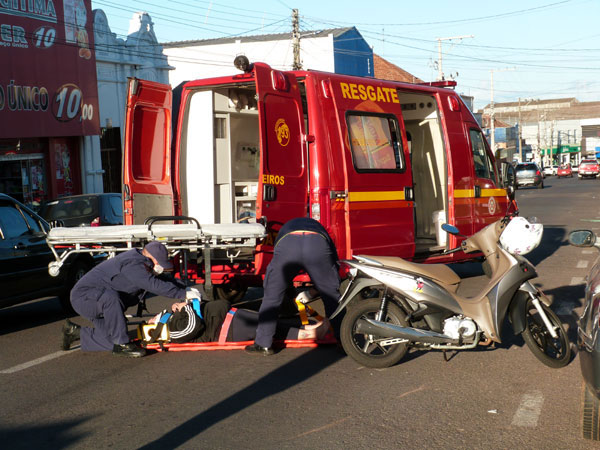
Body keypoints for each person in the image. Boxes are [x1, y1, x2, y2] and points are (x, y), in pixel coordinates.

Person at [61, 241, 200, 357]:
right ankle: (123, 345)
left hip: (99, 299)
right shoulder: (132, 264)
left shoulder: (143, 262)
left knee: (111, 340)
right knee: (111, 300)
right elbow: (152, 284)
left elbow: (162, 279)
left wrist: (185, 288)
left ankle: (74, 332)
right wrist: (182, 294)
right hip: (84, 298)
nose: (162, 268)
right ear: (152, 258)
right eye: (161, 263)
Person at [246, 217, 341, 355]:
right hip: (317, 243)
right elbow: (334, 267)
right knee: (332, 297)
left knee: (271, 297)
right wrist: (321, 289)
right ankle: (343, 341)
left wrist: (280, 288)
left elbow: (278, 278)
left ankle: (263, 344)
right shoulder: (320, 228)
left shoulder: (285, 229)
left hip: (288, 244)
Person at [147, 299, 330, 344]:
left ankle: (308, 326)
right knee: (267, 329)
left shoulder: (168, 318)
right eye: (149, 322)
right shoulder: (168, 330)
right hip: (226, 329)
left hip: (230, 316)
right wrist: (187, 306)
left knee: (269, 320)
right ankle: (309, 334)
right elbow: (193, 327)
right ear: (153, 328)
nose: (149, 319)